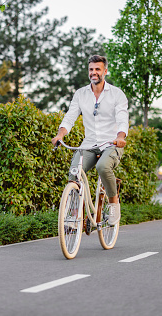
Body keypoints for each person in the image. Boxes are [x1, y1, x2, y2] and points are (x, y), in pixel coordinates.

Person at [51, 55, 129, 226]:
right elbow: (70, 118)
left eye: (97, 69)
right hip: (89, 144)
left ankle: (114, 205)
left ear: (105, 71)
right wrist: (60, 135)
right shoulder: (81, 94)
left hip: (111, 143)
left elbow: (122, 119)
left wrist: (120, 137)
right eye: (91, 69)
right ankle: (74, 214)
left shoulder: (116, 94)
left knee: (103, 167)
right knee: (74, 172)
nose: (94, 73)